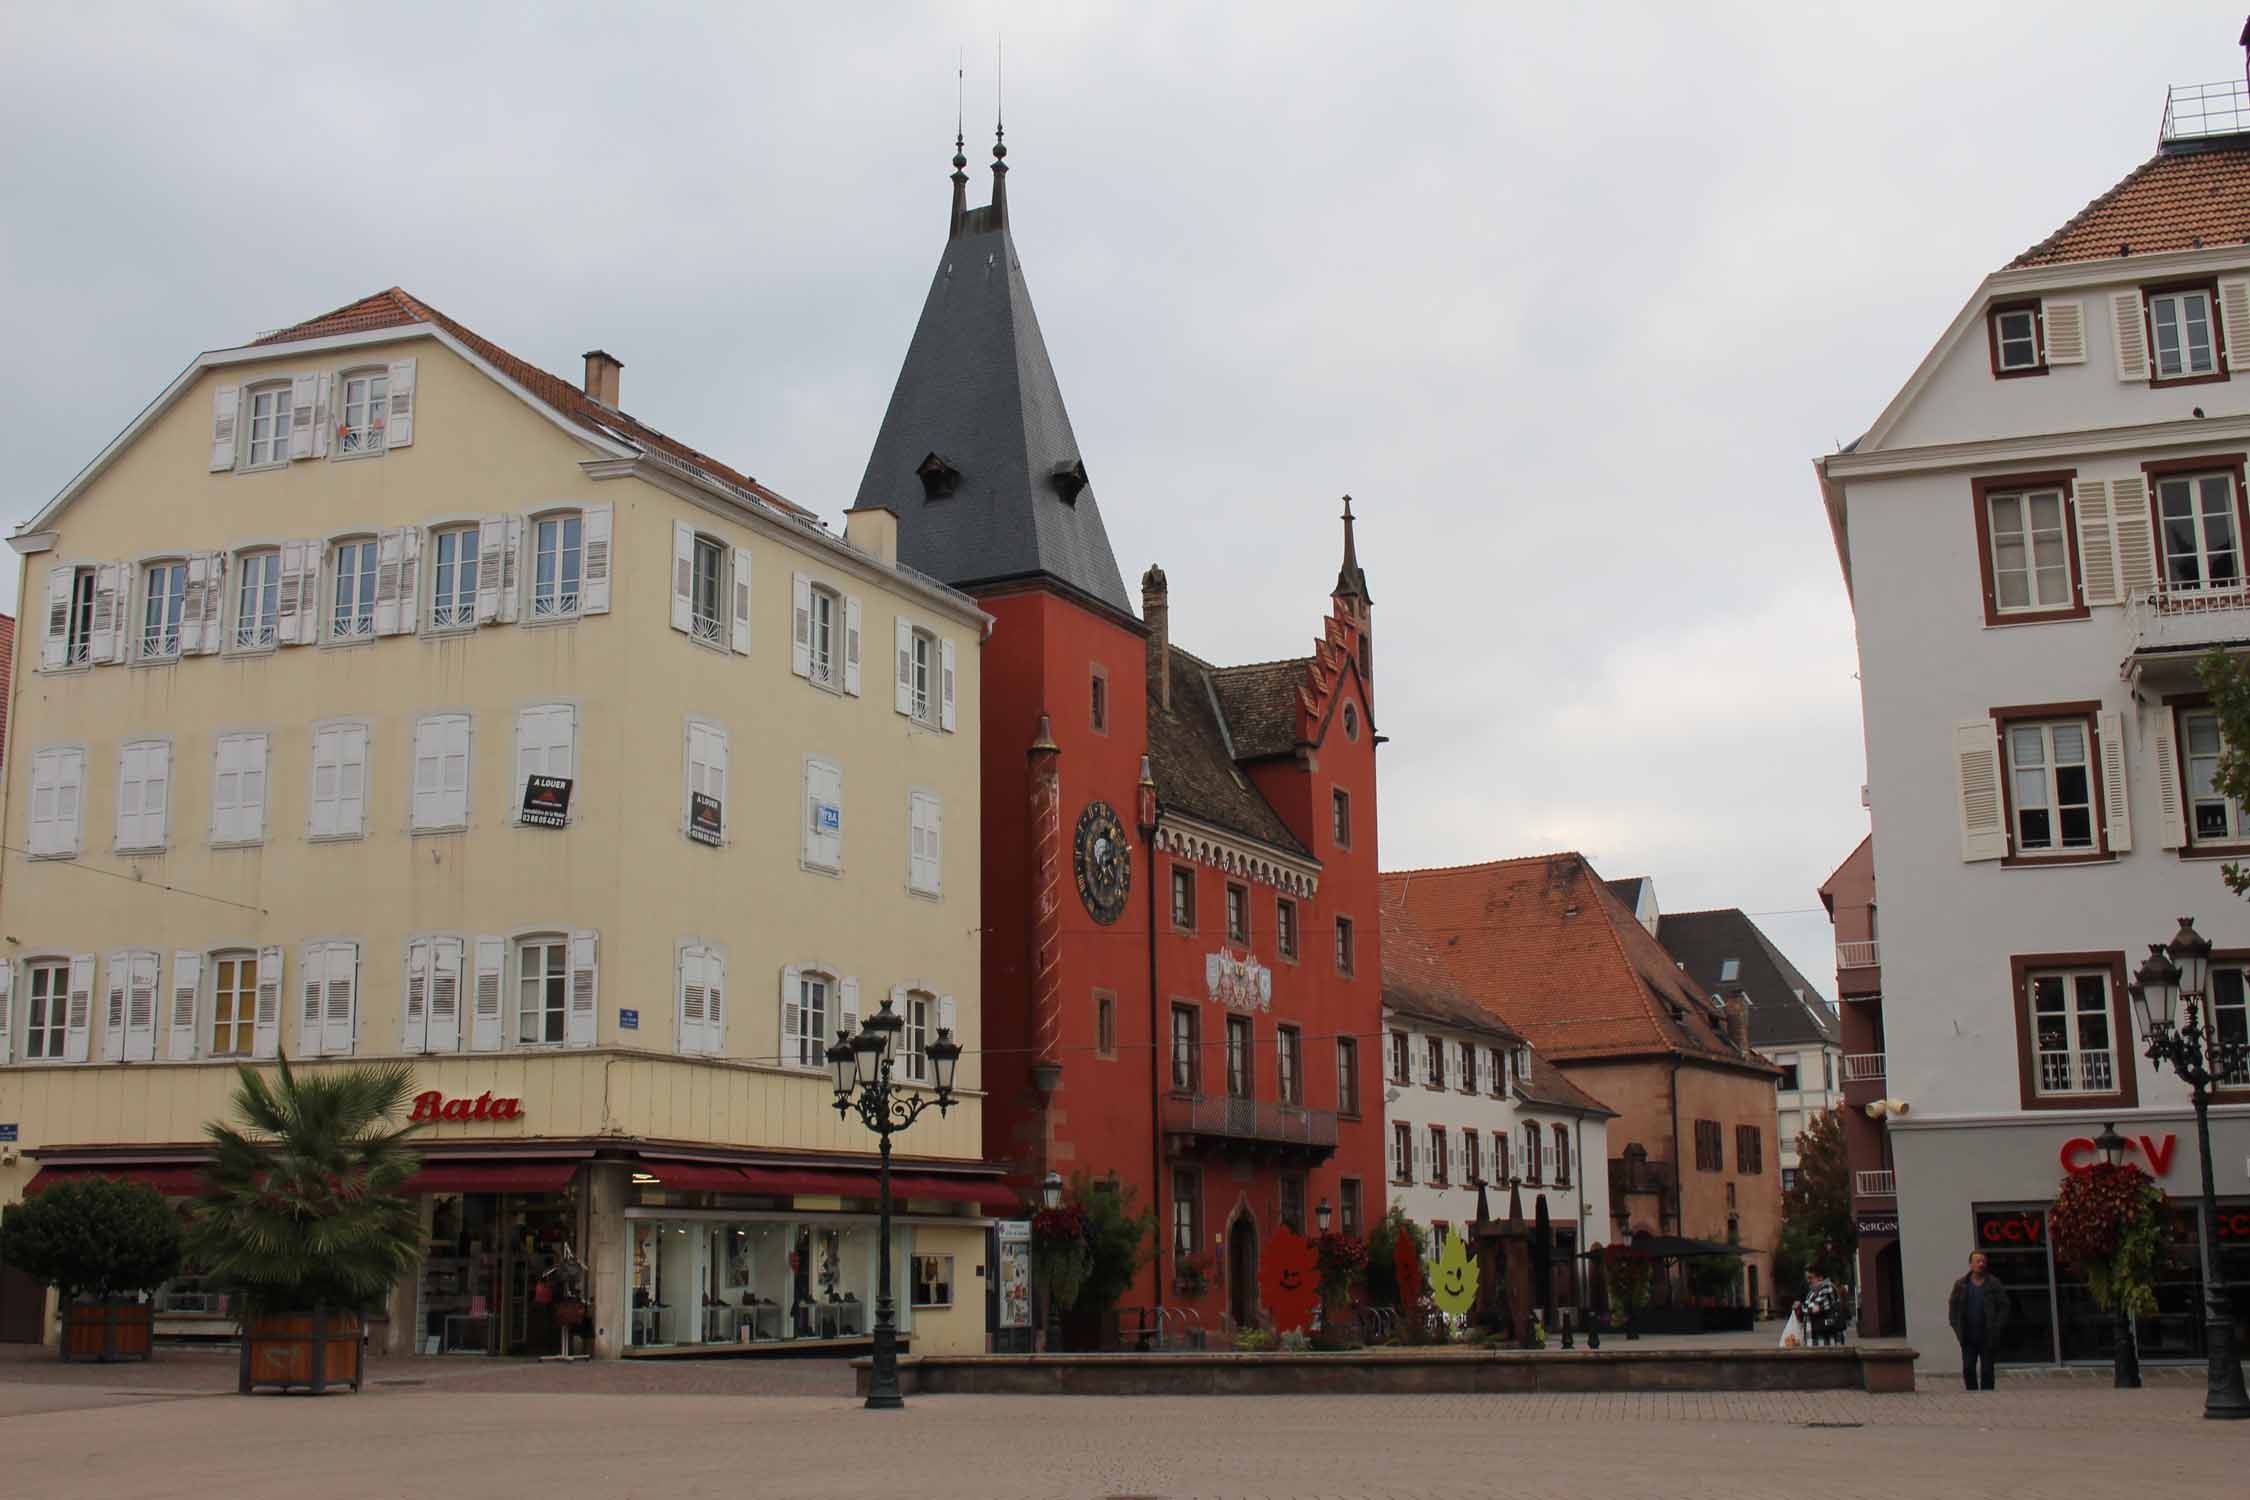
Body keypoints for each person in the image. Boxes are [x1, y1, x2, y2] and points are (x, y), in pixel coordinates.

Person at [1948, 1250, 2010, 1390]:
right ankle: (1972, 1394)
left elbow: (2004, 1306)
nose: (1981, 1264)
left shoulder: (1993, 1283)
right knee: (1968, 1368)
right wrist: (1956, 1326)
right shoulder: (1961, 1284)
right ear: (1970, 1264)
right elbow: (1953, 1305)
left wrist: (1997, 1326)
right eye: (1978, 1261)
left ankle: (1987, 1395)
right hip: (1968, 1336)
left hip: (1988, 1335)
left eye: (1983, 1261)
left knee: (1987, 1370)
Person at [1796, 1268, 1843, 1347]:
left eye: (1810, 1277)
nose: (1808, 1281)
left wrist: (1800, 1306)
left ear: (1820, 1277)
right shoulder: (1814, 1290)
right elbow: (1808, 1308)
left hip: (1825, 1341)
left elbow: (1815, 1308)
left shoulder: (1827, 1288)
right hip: (1816, 1339)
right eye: (1807, 1278)